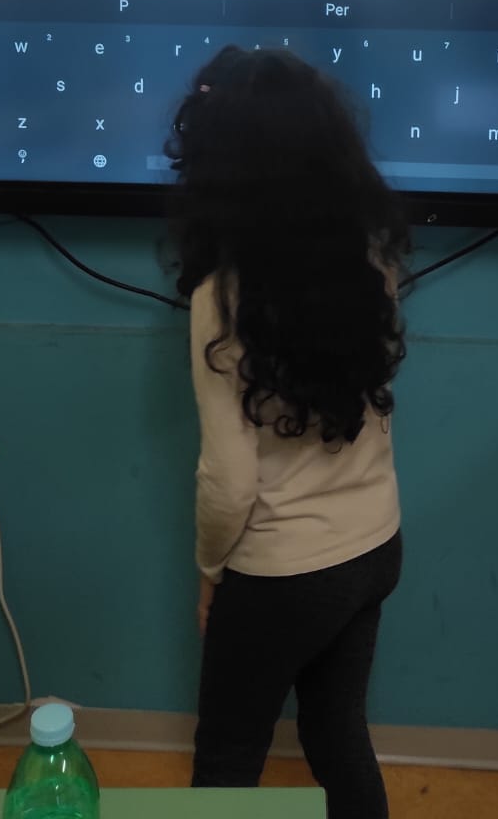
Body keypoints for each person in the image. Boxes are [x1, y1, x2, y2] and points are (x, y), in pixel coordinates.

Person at [166, 45, 408, 819]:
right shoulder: (369, 261)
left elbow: (229, 480)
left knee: (227, 755)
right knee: (338, 734)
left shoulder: (221, 297)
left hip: (282, 572)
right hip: (374, 545)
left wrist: (211, 571)